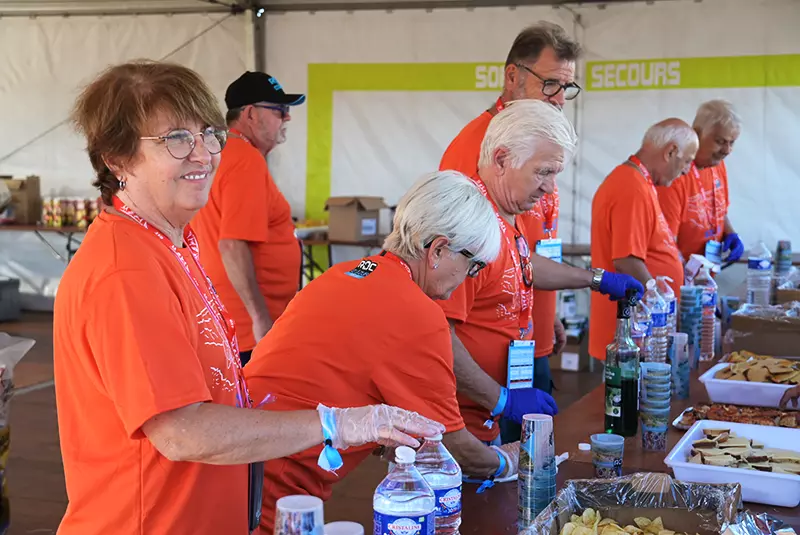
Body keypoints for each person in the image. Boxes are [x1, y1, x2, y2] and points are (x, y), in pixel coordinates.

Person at [53, 60, 443, 535]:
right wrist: (336, 424)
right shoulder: (127, 269)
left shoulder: (172, 241)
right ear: (117, 159)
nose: (202, 155)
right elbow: (182, 431)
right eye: (176, 138)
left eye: (208, 133)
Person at [245, 171, 521, 533]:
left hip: (245, 452)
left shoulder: (343, 273)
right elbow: (450, 446)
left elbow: (333, 375)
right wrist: (505, 462)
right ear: (437, 250)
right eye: (473, 266)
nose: (469, 278)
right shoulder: (419, 315)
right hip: (277, 485)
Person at [437, 100, 644, 448]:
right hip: (460, 427)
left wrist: (594, 280)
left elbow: (522, 263)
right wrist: (500, 399)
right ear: (501, 160)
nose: (549, 188)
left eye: (555, 174)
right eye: (543, 172)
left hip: (486, 416)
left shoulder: (503, 210)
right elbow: (438, 333)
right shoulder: (467, 225)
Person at [439, 21, 582, 445]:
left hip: (525, 331)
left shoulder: (541, 140)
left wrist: (546, 312)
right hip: (481, 370)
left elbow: (523, 246)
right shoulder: (478, 149)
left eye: (567, 88)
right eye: (550, 84)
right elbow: (451, 287)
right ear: (513, 76)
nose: (559, 99)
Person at [192, 71, 304, 366]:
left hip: (226, 314)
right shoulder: (245, 160)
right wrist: (260, 319)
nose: (287, 118)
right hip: (248, 327)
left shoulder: (219, 153)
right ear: (251, 114)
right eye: (280, 110)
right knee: (256, 406)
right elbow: (231, 244)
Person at [589, 119, 699, 362]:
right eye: (688, 161)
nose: (687, 170)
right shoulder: (631, 186)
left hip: (639, 334)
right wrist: (660, 302)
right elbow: (626, 261)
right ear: (670, 152)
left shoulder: (640, 182)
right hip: (630, 337)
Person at [657, 100, 744, 264]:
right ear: (697, 133)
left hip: (706, 277)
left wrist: (730, 233)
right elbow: (665, 242)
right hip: (680, 280)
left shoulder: (717, 164)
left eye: (731, 143)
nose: (727, 151)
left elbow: (719, 208)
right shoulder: (674, 175)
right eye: (720, 141)